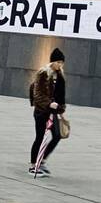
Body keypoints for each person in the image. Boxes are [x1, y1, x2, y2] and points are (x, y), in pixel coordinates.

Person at [29, 48, 66, 176]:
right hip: (41, 111)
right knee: (39, 137)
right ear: (53, 62)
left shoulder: (60, 76)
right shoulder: (43, 73)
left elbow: (61, 96)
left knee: (57, 135)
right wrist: (49, 103)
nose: (60, 65)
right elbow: (37, 94)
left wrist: (61, 109)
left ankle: (42, 160)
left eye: (62, 63)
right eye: (58, 62)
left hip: (53, 112)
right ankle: (34, 165)